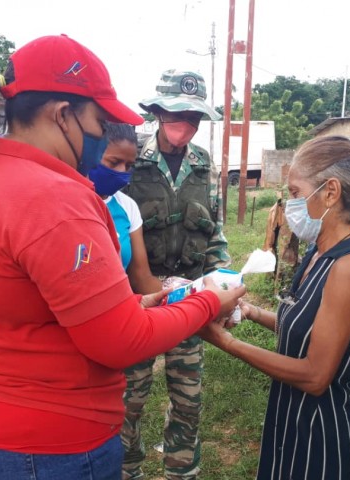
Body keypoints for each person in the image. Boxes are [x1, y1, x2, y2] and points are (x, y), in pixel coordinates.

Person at [0, 34, 244, 480]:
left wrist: (135, 303)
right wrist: (208, 301)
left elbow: (31, 305)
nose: (102, 136)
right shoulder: (52, 197)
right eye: (99, 121)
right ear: (62, 114)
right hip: (38, 448)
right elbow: (121, 342)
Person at [198, 135, 350, 480]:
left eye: (296, 193)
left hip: (320, 435)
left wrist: (227, 343)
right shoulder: (318, 254)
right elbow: (308, 326)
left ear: (330, 192)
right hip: (290, 418)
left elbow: (315, 376)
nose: (290, 206)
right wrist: (251, 311)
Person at [122, 69, 229, 480]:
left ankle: (181, 471)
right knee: (128, 399)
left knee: (188, 400)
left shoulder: (203, 164)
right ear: (158, 113)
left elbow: (214, 230)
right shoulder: (130, 158)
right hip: (138, 301)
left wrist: (221, 281)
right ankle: (126, 470)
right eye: (177, 114)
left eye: (193, 117)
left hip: (189, 296)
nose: (185, 124)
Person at [88, 122, 162, 293]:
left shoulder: (127, 206)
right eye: (114, 162)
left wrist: (187, 294)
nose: (122, 172)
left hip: (120, 304)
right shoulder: (70, 203)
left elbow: (141, 278)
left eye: (128, 166)